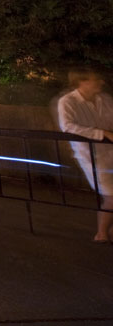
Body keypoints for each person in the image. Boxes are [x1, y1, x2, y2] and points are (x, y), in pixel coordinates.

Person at [57, 68, 113, 243]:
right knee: (111, 195)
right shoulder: (67, 102)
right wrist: (102, 133)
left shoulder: (104, 99)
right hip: (92, 156)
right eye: (96, 79)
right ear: (82, 82)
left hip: (110, 152)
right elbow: (68, 126)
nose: (101, 82)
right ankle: (102, 233)